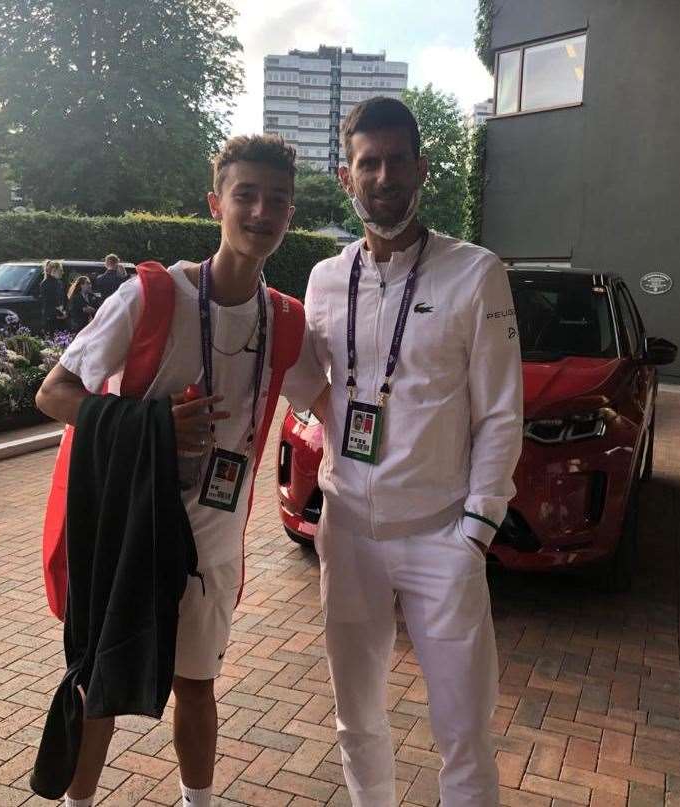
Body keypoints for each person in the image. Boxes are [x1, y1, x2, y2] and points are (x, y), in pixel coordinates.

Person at [35, 134, 307, 807]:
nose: (260, 211)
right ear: (216, 202)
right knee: (100, 683)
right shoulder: (153, 295)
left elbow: (332, 399)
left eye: (275, 199)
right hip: (131, 530)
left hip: (212, 540)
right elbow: (54, 394)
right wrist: (152, 425)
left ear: (290, 214)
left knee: (196, 684)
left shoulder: (285, 319)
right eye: (245, 195)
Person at [283, 97, 524, 806]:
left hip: (439, 535)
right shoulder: (325, 278)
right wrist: (323, 405)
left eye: (396, 161)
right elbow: (306, 379)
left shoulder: (474, 273)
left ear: (421, 168)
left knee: (462, 727)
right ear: (345, 175)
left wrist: (475, 529)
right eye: (368, 163)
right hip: (348, 532)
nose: (382, 176)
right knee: (355, 714)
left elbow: (501, 411)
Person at [39, 259, 67, 335]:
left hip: (60, 315)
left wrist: (64, 311)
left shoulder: (59, 283)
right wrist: (58, 313)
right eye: (60, 270)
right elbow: (48, 302)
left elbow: (63, 299)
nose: (62, 272)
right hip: (51, 317)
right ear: (54, 270)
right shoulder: (46, 284)